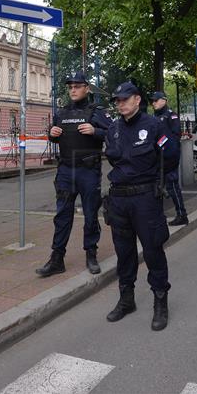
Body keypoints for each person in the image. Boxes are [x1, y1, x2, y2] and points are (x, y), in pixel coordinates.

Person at [103, 81, 179, 331]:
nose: (120, 104)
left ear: (137, 100)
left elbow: (170, 156)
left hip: (145, 199)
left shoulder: (154, 126)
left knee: (153, 250)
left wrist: (151, 180)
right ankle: (126, 300)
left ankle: (160, 301)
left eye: (125, 99)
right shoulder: (113, 128)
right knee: (124, 253)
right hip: (119, 199)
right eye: (117, 101)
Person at [36, 72, 111, 277]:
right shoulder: (62, 112)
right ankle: (57, 259)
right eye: (70, 87)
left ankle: (91, 255)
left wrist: (95, 131)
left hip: (88, 171)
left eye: (77, 86)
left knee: (90, 215)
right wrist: (51, 134)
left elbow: (113, 133)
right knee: (62, 217)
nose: (73, 90)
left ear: (87, 88)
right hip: (66, 170)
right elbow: (55, 135)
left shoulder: (96, 111)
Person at [149, 91, 188, 226]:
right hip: (157, 158)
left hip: (170, 157)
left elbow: (174, 136)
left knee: (172, 187)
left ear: (164, 100)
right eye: (152, 101)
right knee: (157, 188)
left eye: (156, 100)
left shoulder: (171, 116)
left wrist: (160, 143)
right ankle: (158, 216)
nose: (153, 103)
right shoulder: (153, 117)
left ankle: (182, 214)